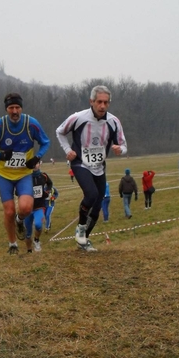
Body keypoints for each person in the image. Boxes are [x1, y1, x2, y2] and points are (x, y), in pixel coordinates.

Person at [56, 85, 127, 251]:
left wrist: (119, 150)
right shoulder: (78, 118)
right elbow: (59, 132)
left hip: (99, 166)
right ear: (91, 101)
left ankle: (84, 240)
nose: (102, 106)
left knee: (97, 205)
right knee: (91, 194)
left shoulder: (114, 121)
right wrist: (68, 150)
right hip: (80, 162)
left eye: (106, 102)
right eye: (99, 102)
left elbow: (123, 145)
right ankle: (80, 228)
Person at [0, 92, 50, 253]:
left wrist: (37, 158)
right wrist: (0, 155)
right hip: (4, 175)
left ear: (21, 108)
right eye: (11, 108)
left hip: (23, 174)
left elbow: (45, 142)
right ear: (6, 109)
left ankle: (20, 221)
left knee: (26, 208)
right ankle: (12, 244)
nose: (14, 111)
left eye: (17, 107)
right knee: (9, 211)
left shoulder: (31, 124)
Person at [24, 161, 53, 252]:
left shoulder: (43, 176)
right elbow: (17, 191)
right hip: (27, 208)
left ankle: (36, 240)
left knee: (38, 225)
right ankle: (29, 250)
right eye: (32, 164)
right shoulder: (25, 177)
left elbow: (50, 184)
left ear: (39, 164)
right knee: (28, 233)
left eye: (36, 163)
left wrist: (46, 192)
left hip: (39, 207)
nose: (34, 165)